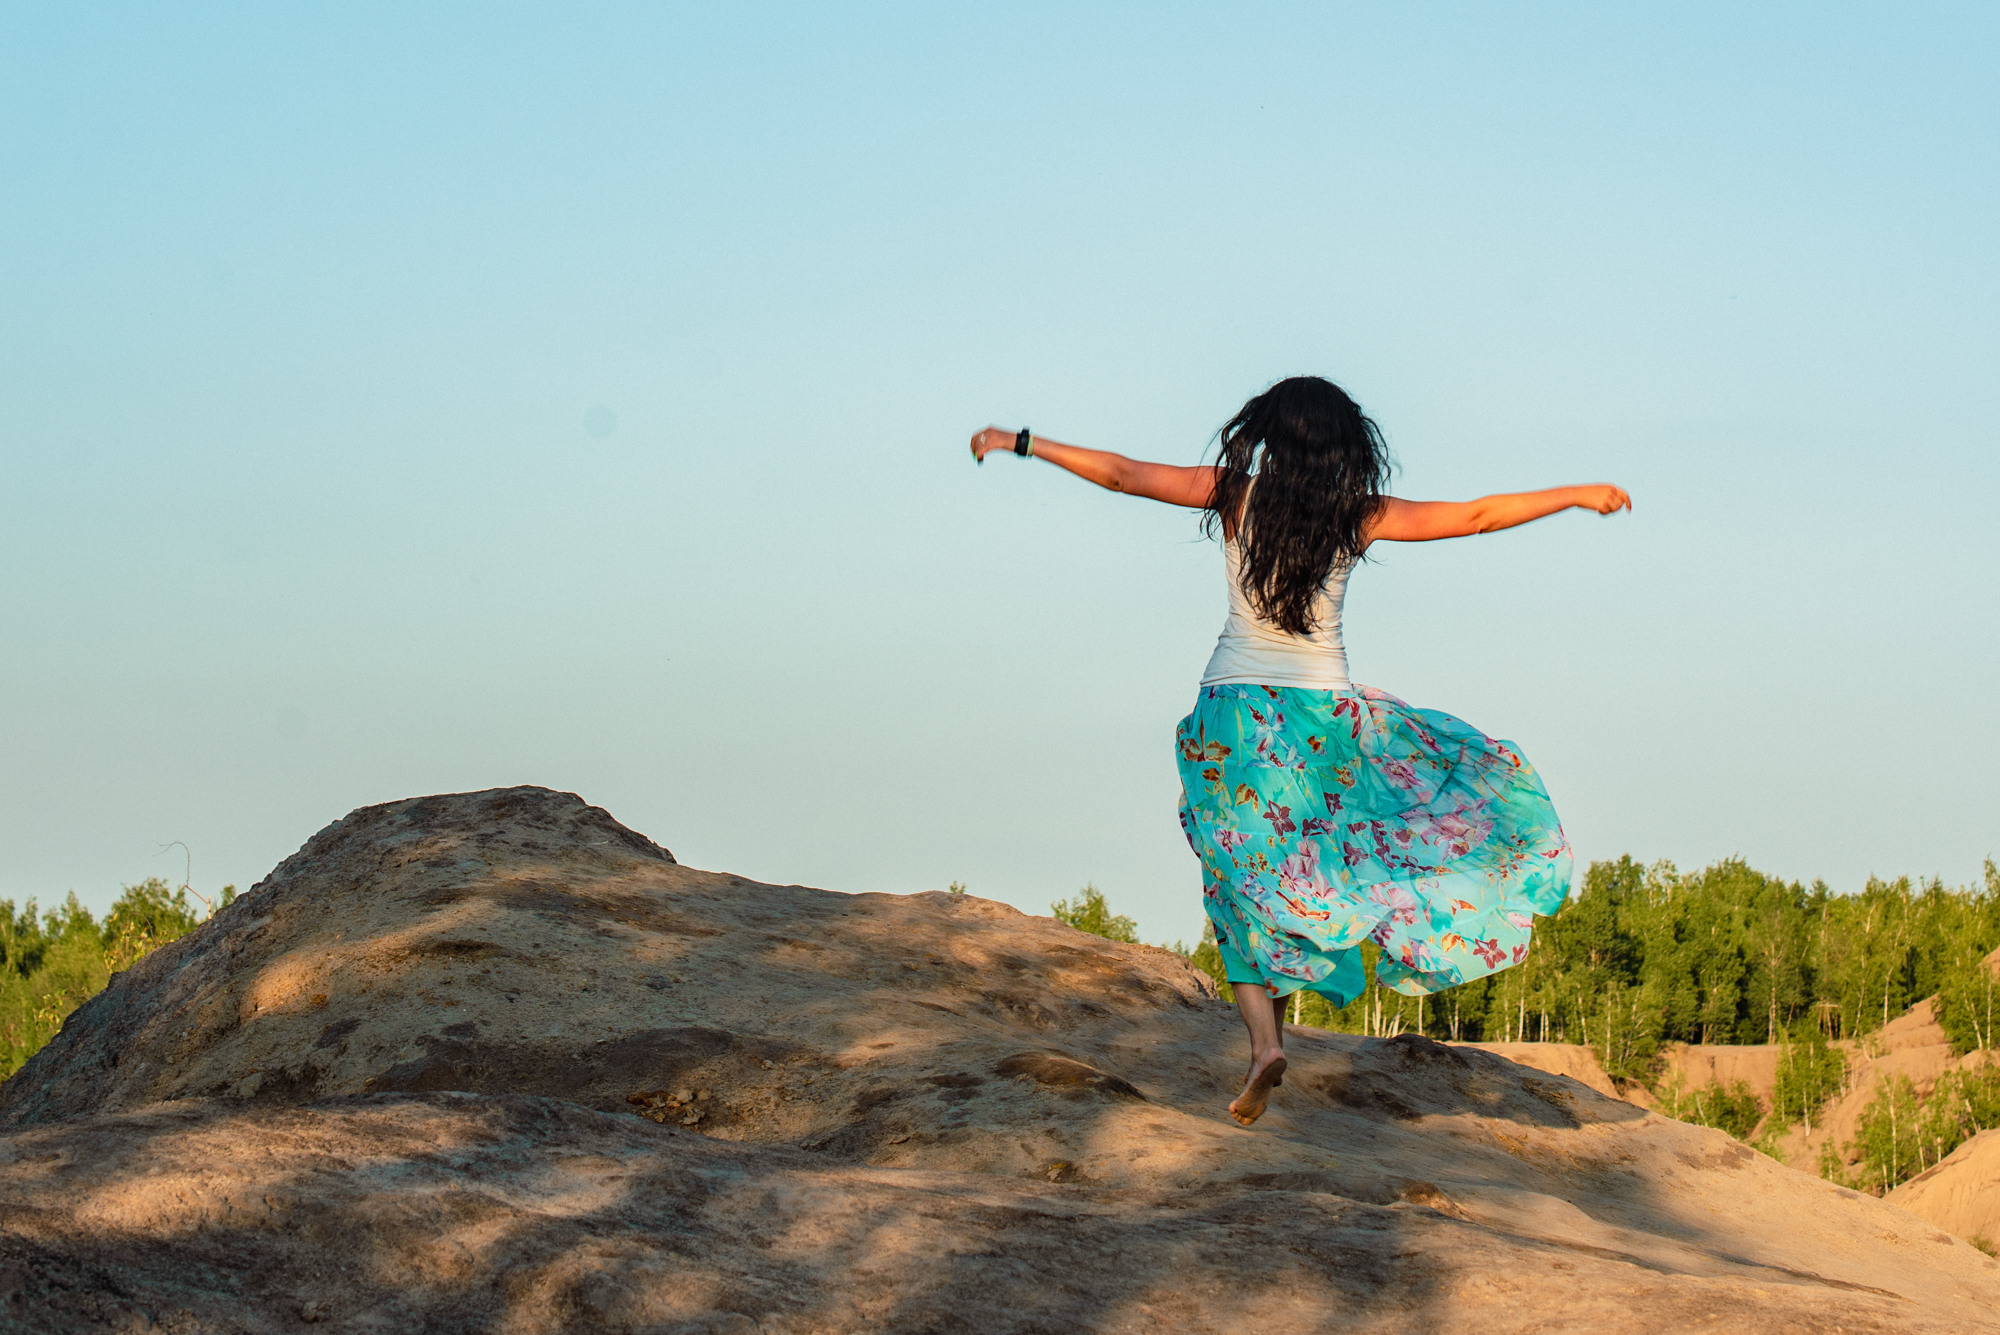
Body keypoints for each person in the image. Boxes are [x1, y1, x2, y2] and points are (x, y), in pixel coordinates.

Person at [969, 376, 1630, 1127]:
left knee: (1237, 880)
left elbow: (1122, 474)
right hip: (1325, 723)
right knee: (1295, 876)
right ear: (1344, 444)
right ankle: (1270, 1041)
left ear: (1270, 434)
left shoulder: (1233, 494)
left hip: (1236, 716)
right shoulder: (1358, 513)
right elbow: (1476, 516)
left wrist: (1023, 442)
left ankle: (1263, 1045)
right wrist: (1577, 494)